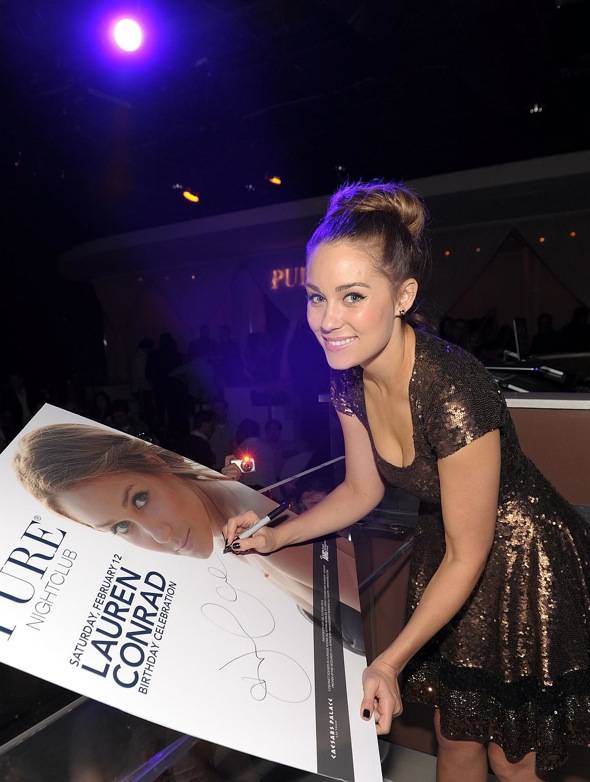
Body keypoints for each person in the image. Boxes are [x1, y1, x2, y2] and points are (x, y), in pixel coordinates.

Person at [224, 181, 590, 780]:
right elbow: (361, 491)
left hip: (524, 558)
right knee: (455, 737)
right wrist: (276, 534)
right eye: (317, 297)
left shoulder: (453, 389)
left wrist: (390, 662)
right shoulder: (347, 376)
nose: (328, 320)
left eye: (353, 296)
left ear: (403, 296)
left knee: (512, 760)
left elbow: (471, 553)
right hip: (452, 548)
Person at [13, 423, 360, 616]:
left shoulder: (257, 536)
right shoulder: (231, 521)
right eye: (121, 527)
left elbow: (378, 601)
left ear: (156, 463)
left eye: (140, 499)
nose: (160, 534)